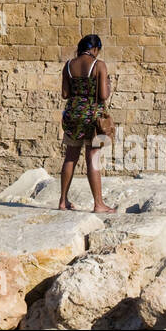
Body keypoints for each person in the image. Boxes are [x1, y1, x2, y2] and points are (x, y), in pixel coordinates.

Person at [58, 34, 116, 213]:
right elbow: (103, 95)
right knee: (93, 158)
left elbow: (65, 94)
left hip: (72, 115)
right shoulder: (99, 65)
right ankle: (98, 204)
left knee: (70, 157)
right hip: (92, 116)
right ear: (95, 49)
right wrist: (107, 84)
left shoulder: (68, 65)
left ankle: (63, 201)